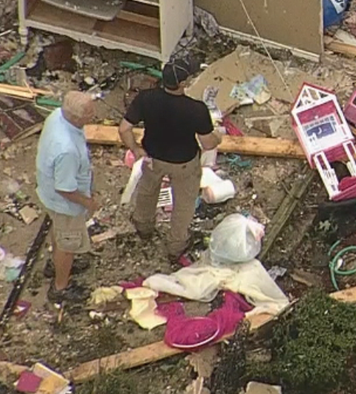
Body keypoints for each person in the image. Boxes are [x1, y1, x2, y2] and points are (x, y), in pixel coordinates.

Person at [119, 59, 220, 263]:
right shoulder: (195, 109)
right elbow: (208, 144)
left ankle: (144, 227)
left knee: (147, 192)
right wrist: (218, 136)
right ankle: (176, 245)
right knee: (183, 203)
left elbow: (123, 129)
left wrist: (136, 149)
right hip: (184, 163)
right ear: (183, 83)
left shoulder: (145, 99)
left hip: (152, 157)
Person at [35, 91, 99, 303]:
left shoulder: (57, 116)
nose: (94, 115)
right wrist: (88, 202)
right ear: (78, 117)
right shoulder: (67, 150)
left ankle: (55, 264)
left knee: (60, 232)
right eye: (90, 113)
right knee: (68, 243)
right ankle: (60, 286)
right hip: (64, 203)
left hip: (49, 193)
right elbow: (65, 188)